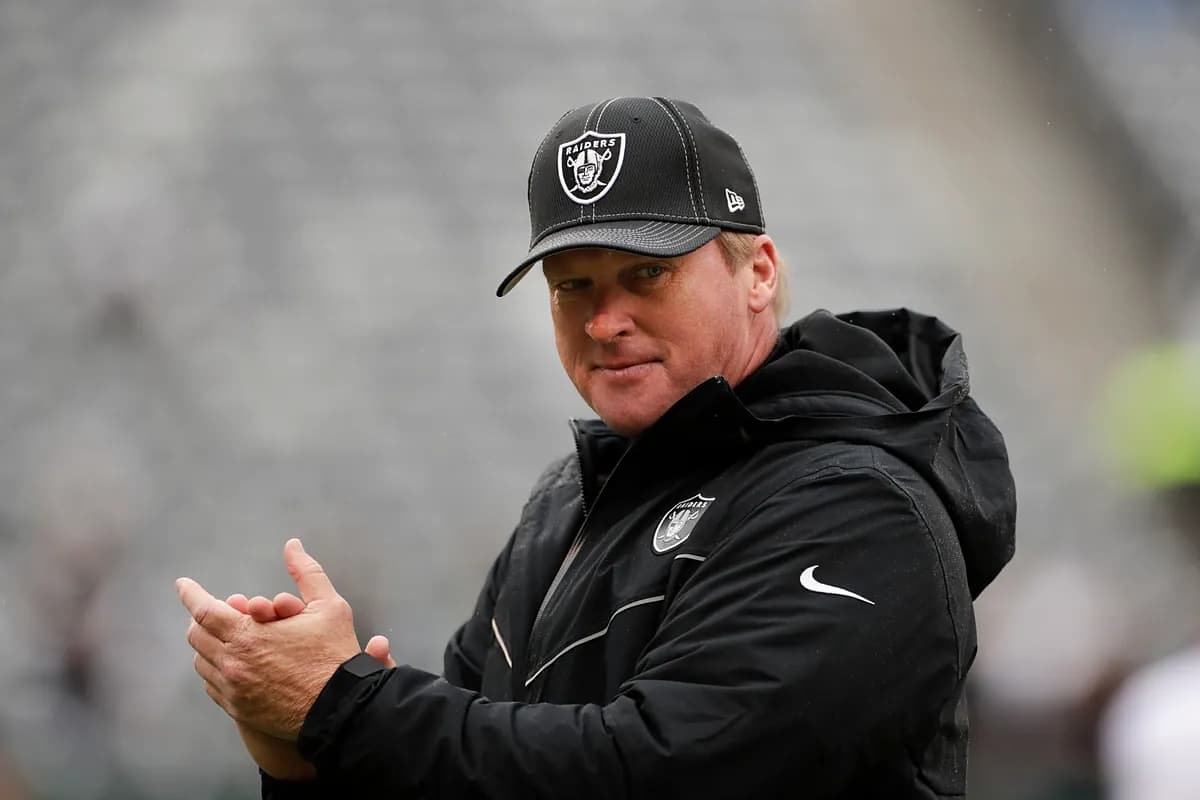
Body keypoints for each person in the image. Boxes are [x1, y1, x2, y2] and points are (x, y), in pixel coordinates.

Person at [178, 96, 1017, 798]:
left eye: (647, 274)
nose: (605, 321)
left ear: (758, 272)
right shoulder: (566, 506)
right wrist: (306, 759)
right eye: (572, 285)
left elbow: (666, 772)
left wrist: (347, 709)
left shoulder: (858, 504)